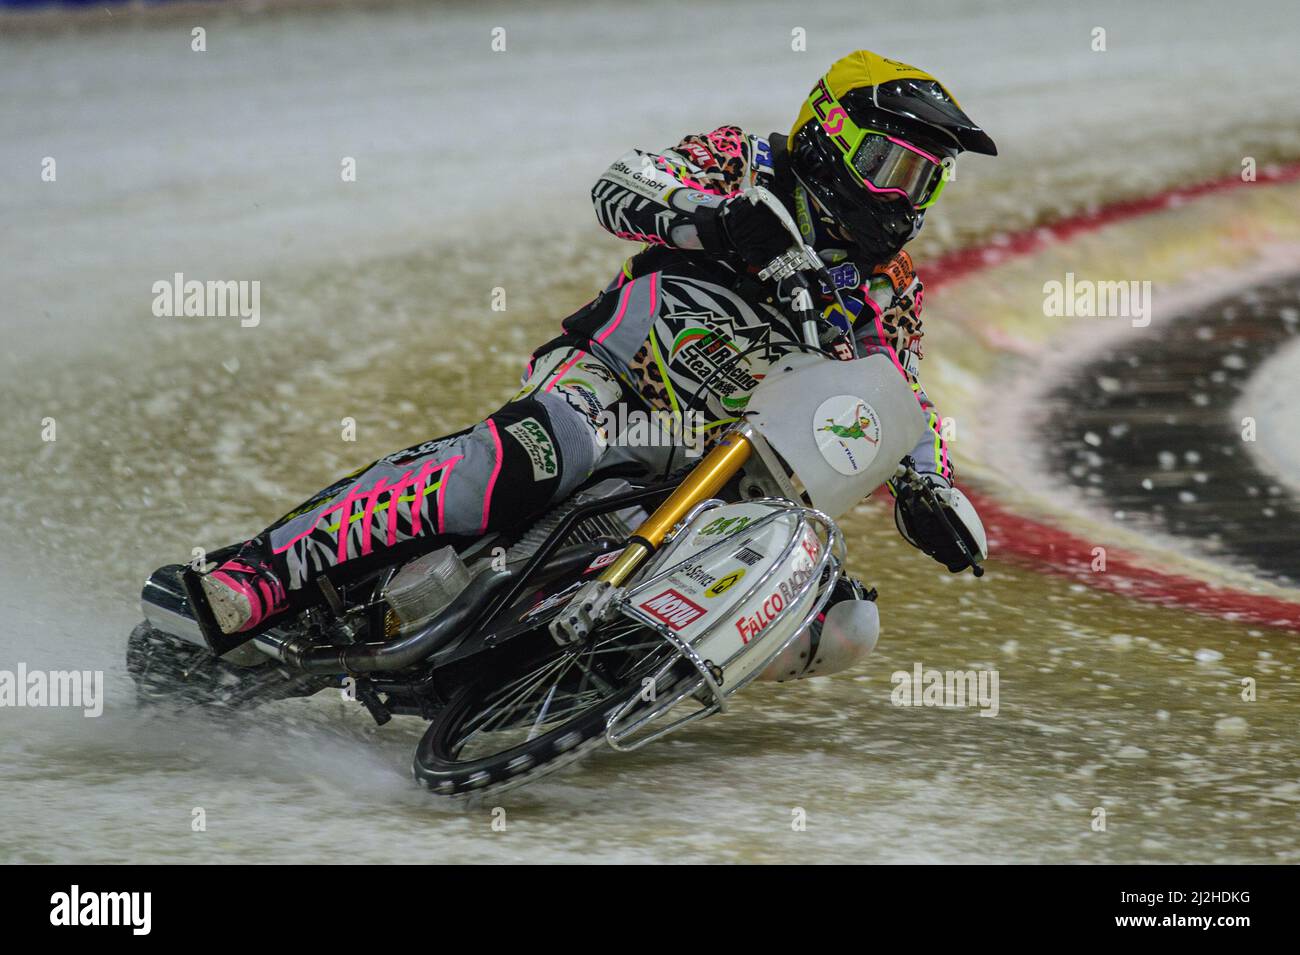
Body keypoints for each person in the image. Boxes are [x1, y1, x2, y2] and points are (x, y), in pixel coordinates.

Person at [198, 49, 997, 638]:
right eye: (889, 164)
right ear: (828, 136)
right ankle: (266, 568)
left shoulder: (888, 286)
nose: (905, 197)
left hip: (726, 460)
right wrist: (711, 218)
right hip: (613, 385)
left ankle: (597, 670)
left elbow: (900, 397)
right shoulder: (747, 163)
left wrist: (928, 486)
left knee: (845, 620)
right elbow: (622, 184)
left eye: (926, 179)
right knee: (523, 460)